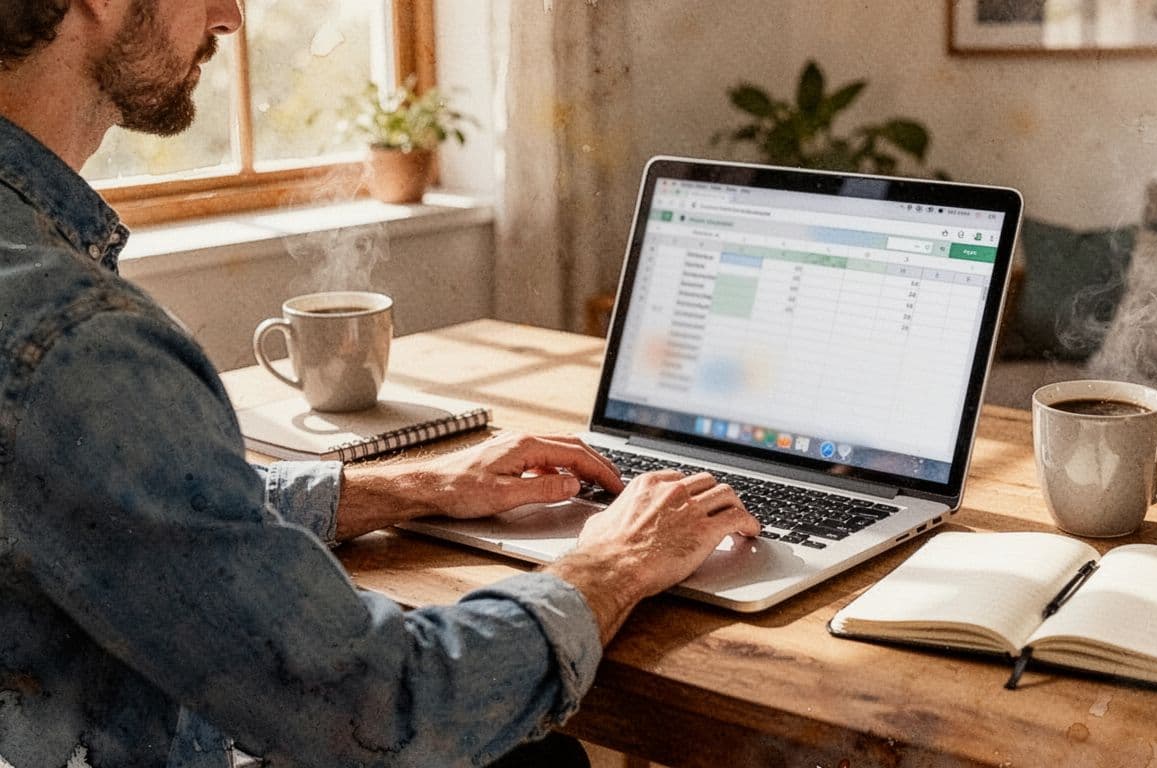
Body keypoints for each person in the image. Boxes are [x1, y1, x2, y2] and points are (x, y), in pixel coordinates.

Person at [0, 1, 760, 767]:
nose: (230, 17)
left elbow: (131, 513)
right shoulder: (76, 337)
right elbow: (383, 710)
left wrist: (411, 489)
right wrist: (616, 562)